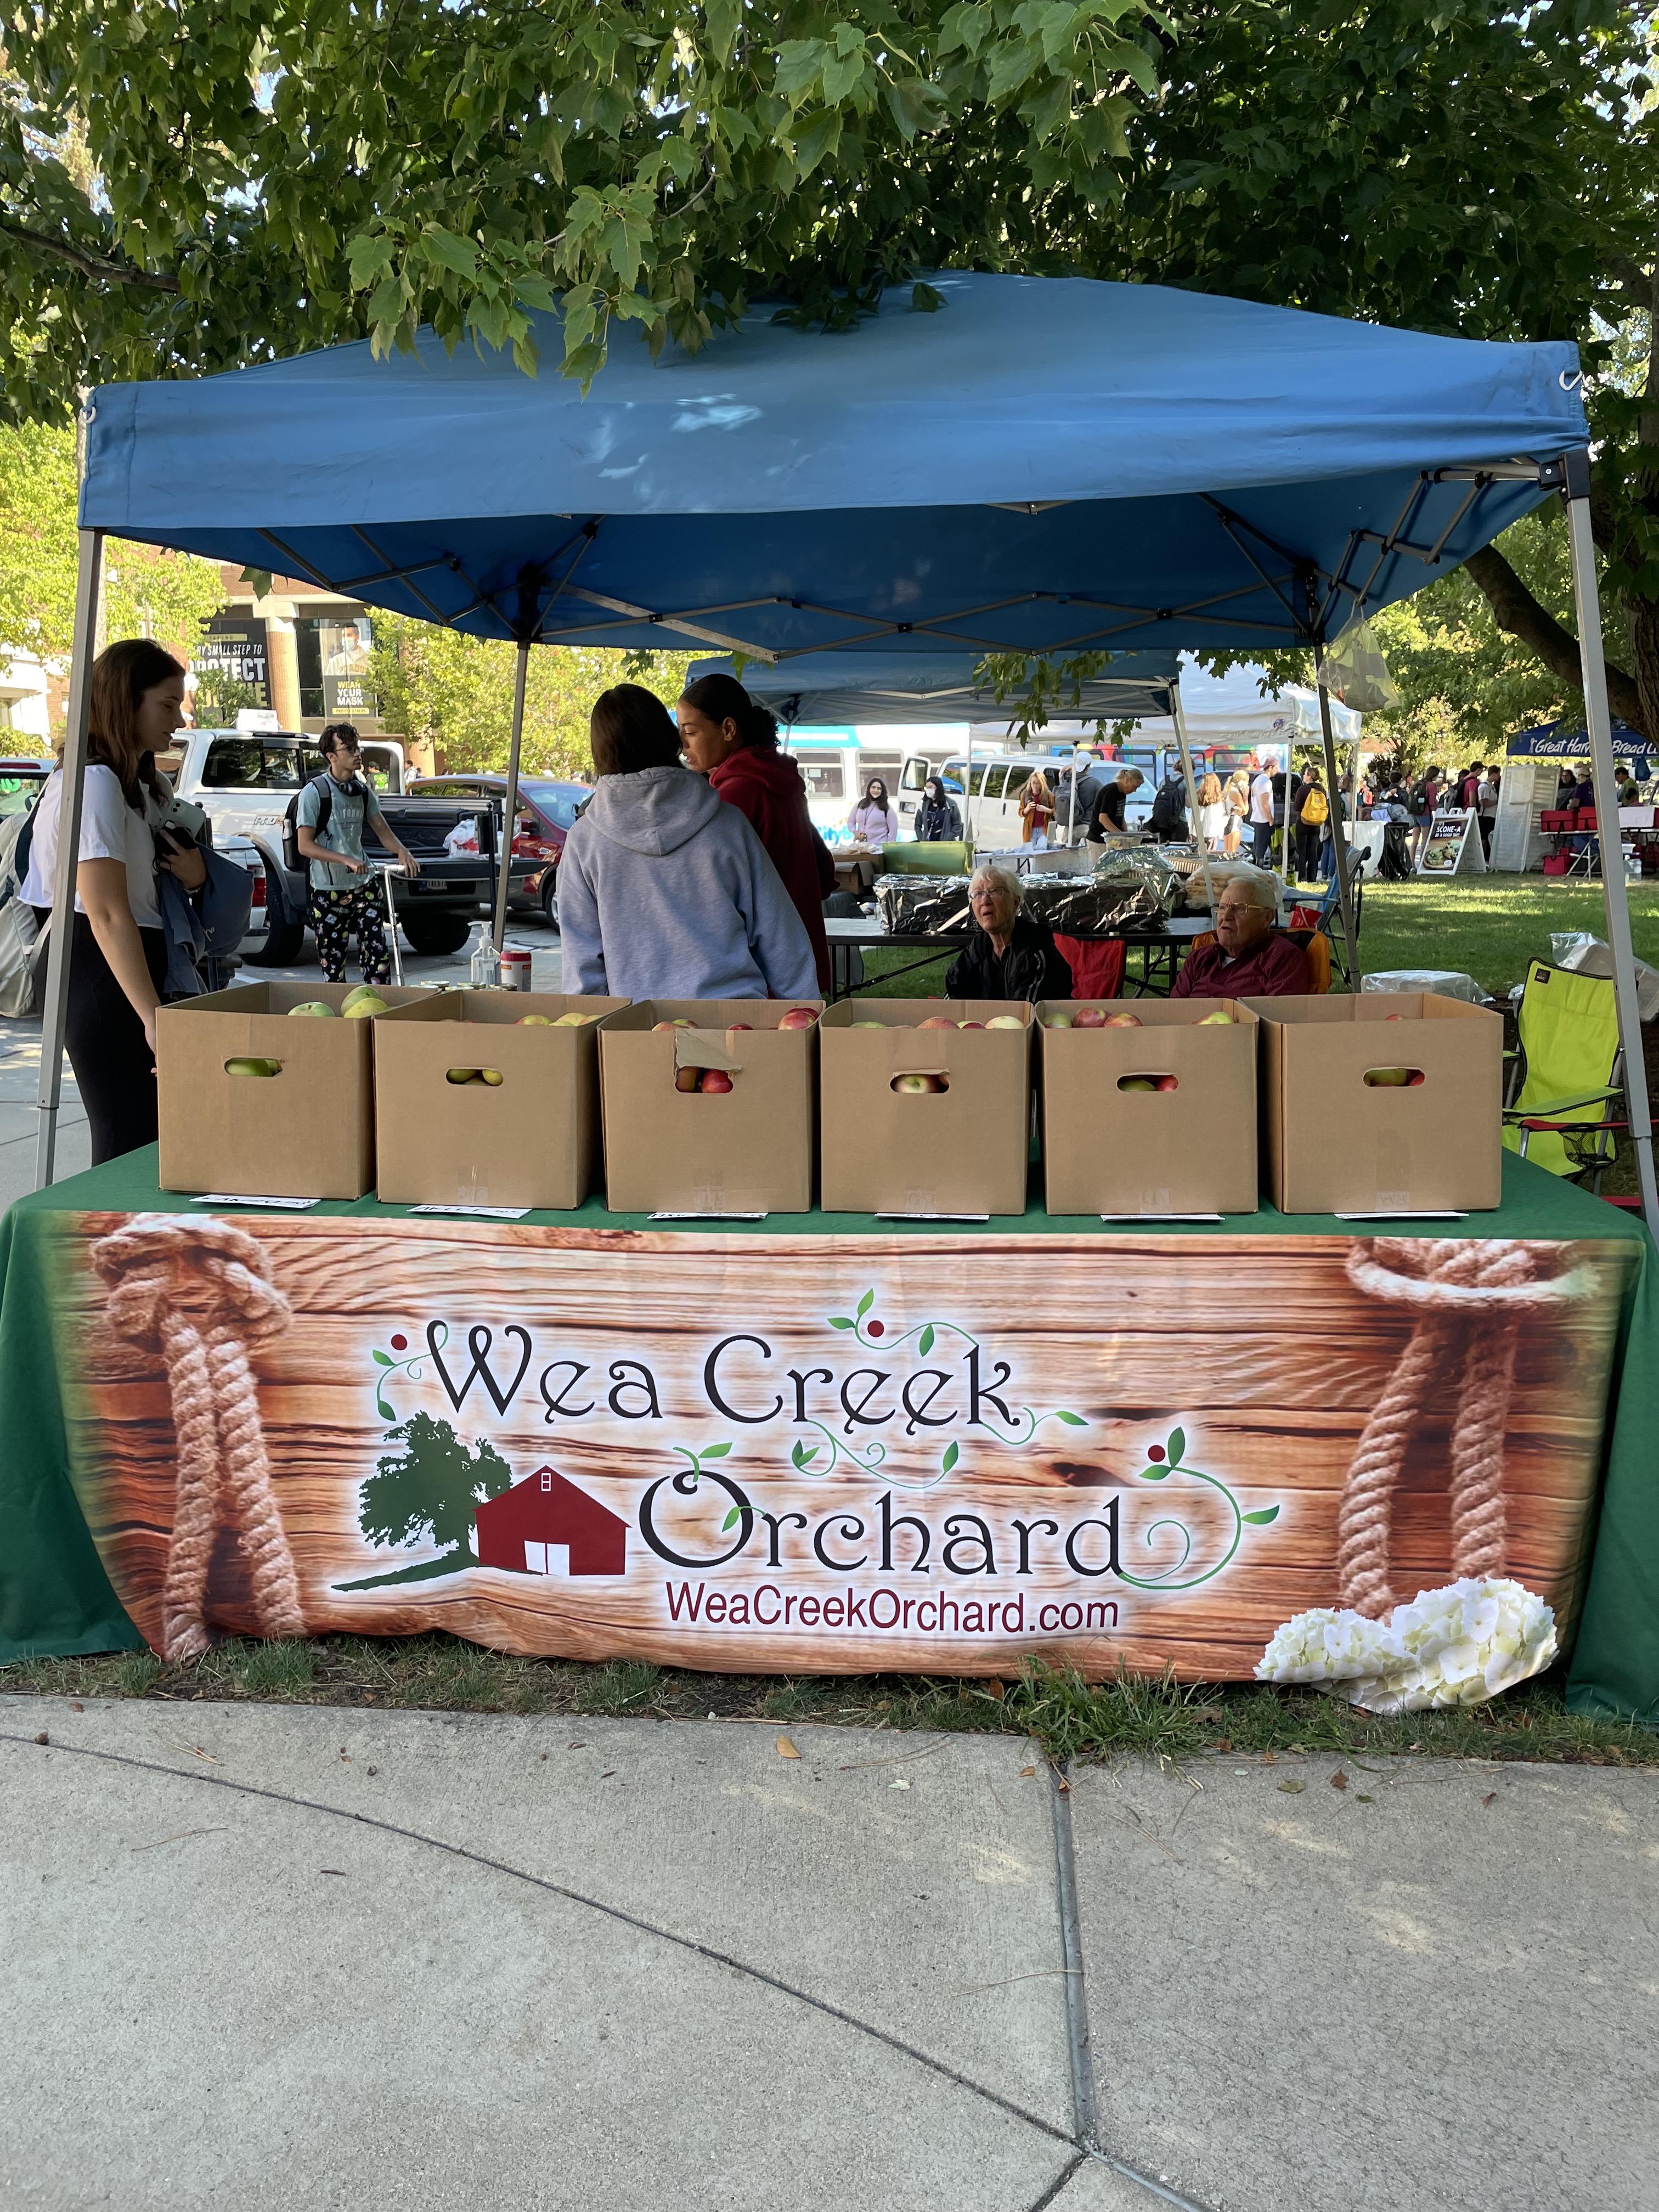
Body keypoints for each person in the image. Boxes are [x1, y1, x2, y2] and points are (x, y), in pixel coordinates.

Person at [21, 640, 207, 1163]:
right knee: (130, 1136)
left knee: (153, 1134)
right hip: (98, 963)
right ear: (126, 700)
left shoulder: (135, 784)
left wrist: (193, 875)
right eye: (166, 705)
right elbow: (103, 910)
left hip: (126, 960)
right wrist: (152, 1017)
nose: (179, 718)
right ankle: (116, 1242)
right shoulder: (94, 781)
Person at [559, 683, 818, 1001]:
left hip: (632, 1030)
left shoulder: (584, 841)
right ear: (670, 738)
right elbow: (781, 938)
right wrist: (803, 1019)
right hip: (732, 1023)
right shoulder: (727, 823)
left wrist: (591, 1039)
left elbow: (582, 965)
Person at [676, 672, 835, 993]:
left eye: (691, 732)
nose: (683, 745)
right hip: (800, 957)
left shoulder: (734, 795)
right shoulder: (780, 781)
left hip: (763, 967)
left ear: (729, 729)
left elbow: (714, 894)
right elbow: (825, 870)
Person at [295, 724, 418, 985]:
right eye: (349, 749)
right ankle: (343, 1021)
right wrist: (346, 859)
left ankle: (378, 1009)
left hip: (365, 885)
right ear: (332, 756)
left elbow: (383, 831)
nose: (357, 754)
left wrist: (402, 851)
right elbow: (304, 846)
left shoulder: (361, 791)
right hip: (328, 890)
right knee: (334, 964)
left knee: (378, 955)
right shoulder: (314, 793)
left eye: (357, 747)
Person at [1172, 871, 1311, 999]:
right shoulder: (1199, 958)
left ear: (1267, 918)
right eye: (1222, 907)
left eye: (1238, 908)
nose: (1226, 916)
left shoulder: (1282, 959)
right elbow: (1172, 1012)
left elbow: (1277, 1020)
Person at [944, 864, 1073, 1002]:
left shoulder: (1037, 951)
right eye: (978, 894)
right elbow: (952, 1000)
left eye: (994, 891)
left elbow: (1026, 1015)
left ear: (1015, 902)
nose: (985, 901)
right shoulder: (976, 950)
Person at [1086, 768, 1143, 841]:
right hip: (1099, 838)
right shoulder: (1110, 791)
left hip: (1113, 838)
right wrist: (1120, 835)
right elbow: (1103, 818)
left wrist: (1126, 834)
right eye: (1135, 787)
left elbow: (1120, 816)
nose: (1135, 790)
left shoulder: (1122, 793)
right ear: (1128, 780)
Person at [1295, 766, 1327, 882]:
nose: (1303, 776)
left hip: (1303, 823)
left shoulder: (1303, 790)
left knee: (1301, 850)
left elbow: (1297, 807)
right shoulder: (1322, 790)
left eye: (1305, 774)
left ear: (1309, 776)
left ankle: (1302, 877)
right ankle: (1312, 878)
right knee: (1313, 851)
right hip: (1316, 824)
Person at [914, 775, 964, 843]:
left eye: (931, 787)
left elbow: (958, 824)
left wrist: (949, 837)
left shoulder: (951, 804)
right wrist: (921, 838)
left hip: (944, 844)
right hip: (927, 843)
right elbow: (917, 825)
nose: (929, 790)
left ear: (938, 787)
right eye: (927, 788)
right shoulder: (924, 805)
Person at [848, 777, 897, 847]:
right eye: (873, 787)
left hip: (880, 848)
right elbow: (850, 822)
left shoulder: (887, 808)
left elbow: (893, 832)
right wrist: (855, 832)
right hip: (863, 847)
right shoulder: (860, 804)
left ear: (882, 791)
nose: (876, 790)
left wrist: (889, 848)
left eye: (879, 788)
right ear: (869, 789)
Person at [1017, 770, 1054, 851]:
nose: (1035, 786)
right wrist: (1027, 809)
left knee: (1042, 852)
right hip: (1030, 830)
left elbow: (1056, 812)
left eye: (1038, 783)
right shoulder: (1025, 794)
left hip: (1044, 829)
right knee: (1031, 855)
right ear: (1030, 783)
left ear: (1042, 784)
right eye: (1033, 783)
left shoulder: (1049, 795)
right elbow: (1021, 813)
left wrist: (1046, 810)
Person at [1248, 757, 1276, 865]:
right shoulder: (1266, 782)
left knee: (1257, 846)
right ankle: (1258, 869)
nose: (1277, 771)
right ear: (1270, 768)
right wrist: (1270, 819)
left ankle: (1254, 868)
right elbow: (1265, 803)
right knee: (1262, 848)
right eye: (1276, 768)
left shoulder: (1258, 779)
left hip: (1257, 817)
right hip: (1263, 819)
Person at [1194, 772, 1227, 853]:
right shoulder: (1219, 798)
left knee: (1199, 853)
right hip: (1213, 831)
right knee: (1211, 853)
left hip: (1199, 830)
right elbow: (1220, 817)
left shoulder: (1198, 795)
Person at [1478, 767, 1500, 857]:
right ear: (1494, 774)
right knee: (1484, 837)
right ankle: (1483, 856)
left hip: (1491, 816)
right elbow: (1485, 803)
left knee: (1489, 836)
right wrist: (1497, 802)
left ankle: (1487, 855)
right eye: (1498, 774)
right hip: (1485, 816)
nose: (1499, 776)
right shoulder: (1485, 787)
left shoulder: (1491, 786)